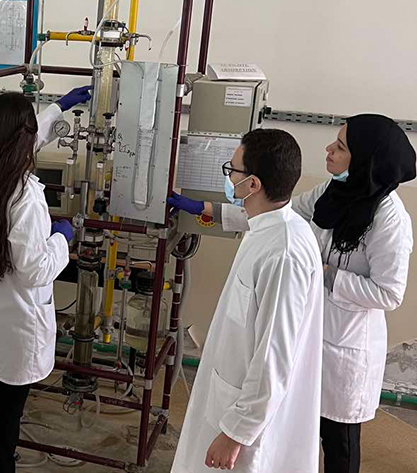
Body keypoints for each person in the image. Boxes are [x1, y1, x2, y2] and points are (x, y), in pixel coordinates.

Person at [169, 116, 415, 472]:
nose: (329, 150)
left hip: (343, 347)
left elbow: (389, 292)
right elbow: (275, 209)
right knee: (293, 432)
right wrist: (205, 209)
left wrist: (326, 274)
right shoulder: (332, 192)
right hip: (305, 330)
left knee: (339, 447)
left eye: (341, 147)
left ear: (366, 160)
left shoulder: (389, 219)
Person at [171, 129, 324, 472]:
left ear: (253, 185)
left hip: (247, 426)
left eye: (232, 171)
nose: (229, 177)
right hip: (229, 394)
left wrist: (236, 433)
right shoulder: (266, 227)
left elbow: (274, 354)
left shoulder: (284, 253)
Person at [0, 87, 92, 472]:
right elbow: (35, 269)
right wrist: (61, 239)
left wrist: (58, 108)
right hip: (17, 327)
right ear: (24, 140)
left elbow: (21, 143)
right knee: (4, 426)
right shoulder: (26, 196)